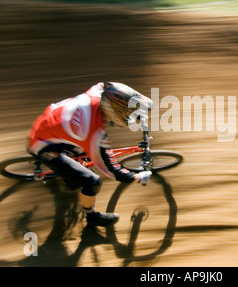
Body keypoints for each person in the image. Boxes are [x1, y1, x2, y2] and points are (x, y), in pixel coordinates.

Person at [27, 82, 153, 227]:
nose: (127, 116)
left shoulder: (97, 92)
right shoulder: (93, 134)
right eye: (125, 113)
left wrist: (136, 109)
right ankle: (91, 216)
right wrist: (136, 177)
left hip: (50, 123)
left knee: (83, 152)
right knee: (92, 181)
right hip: (42, 146)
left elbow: (115, 95)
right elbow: (111, 169)